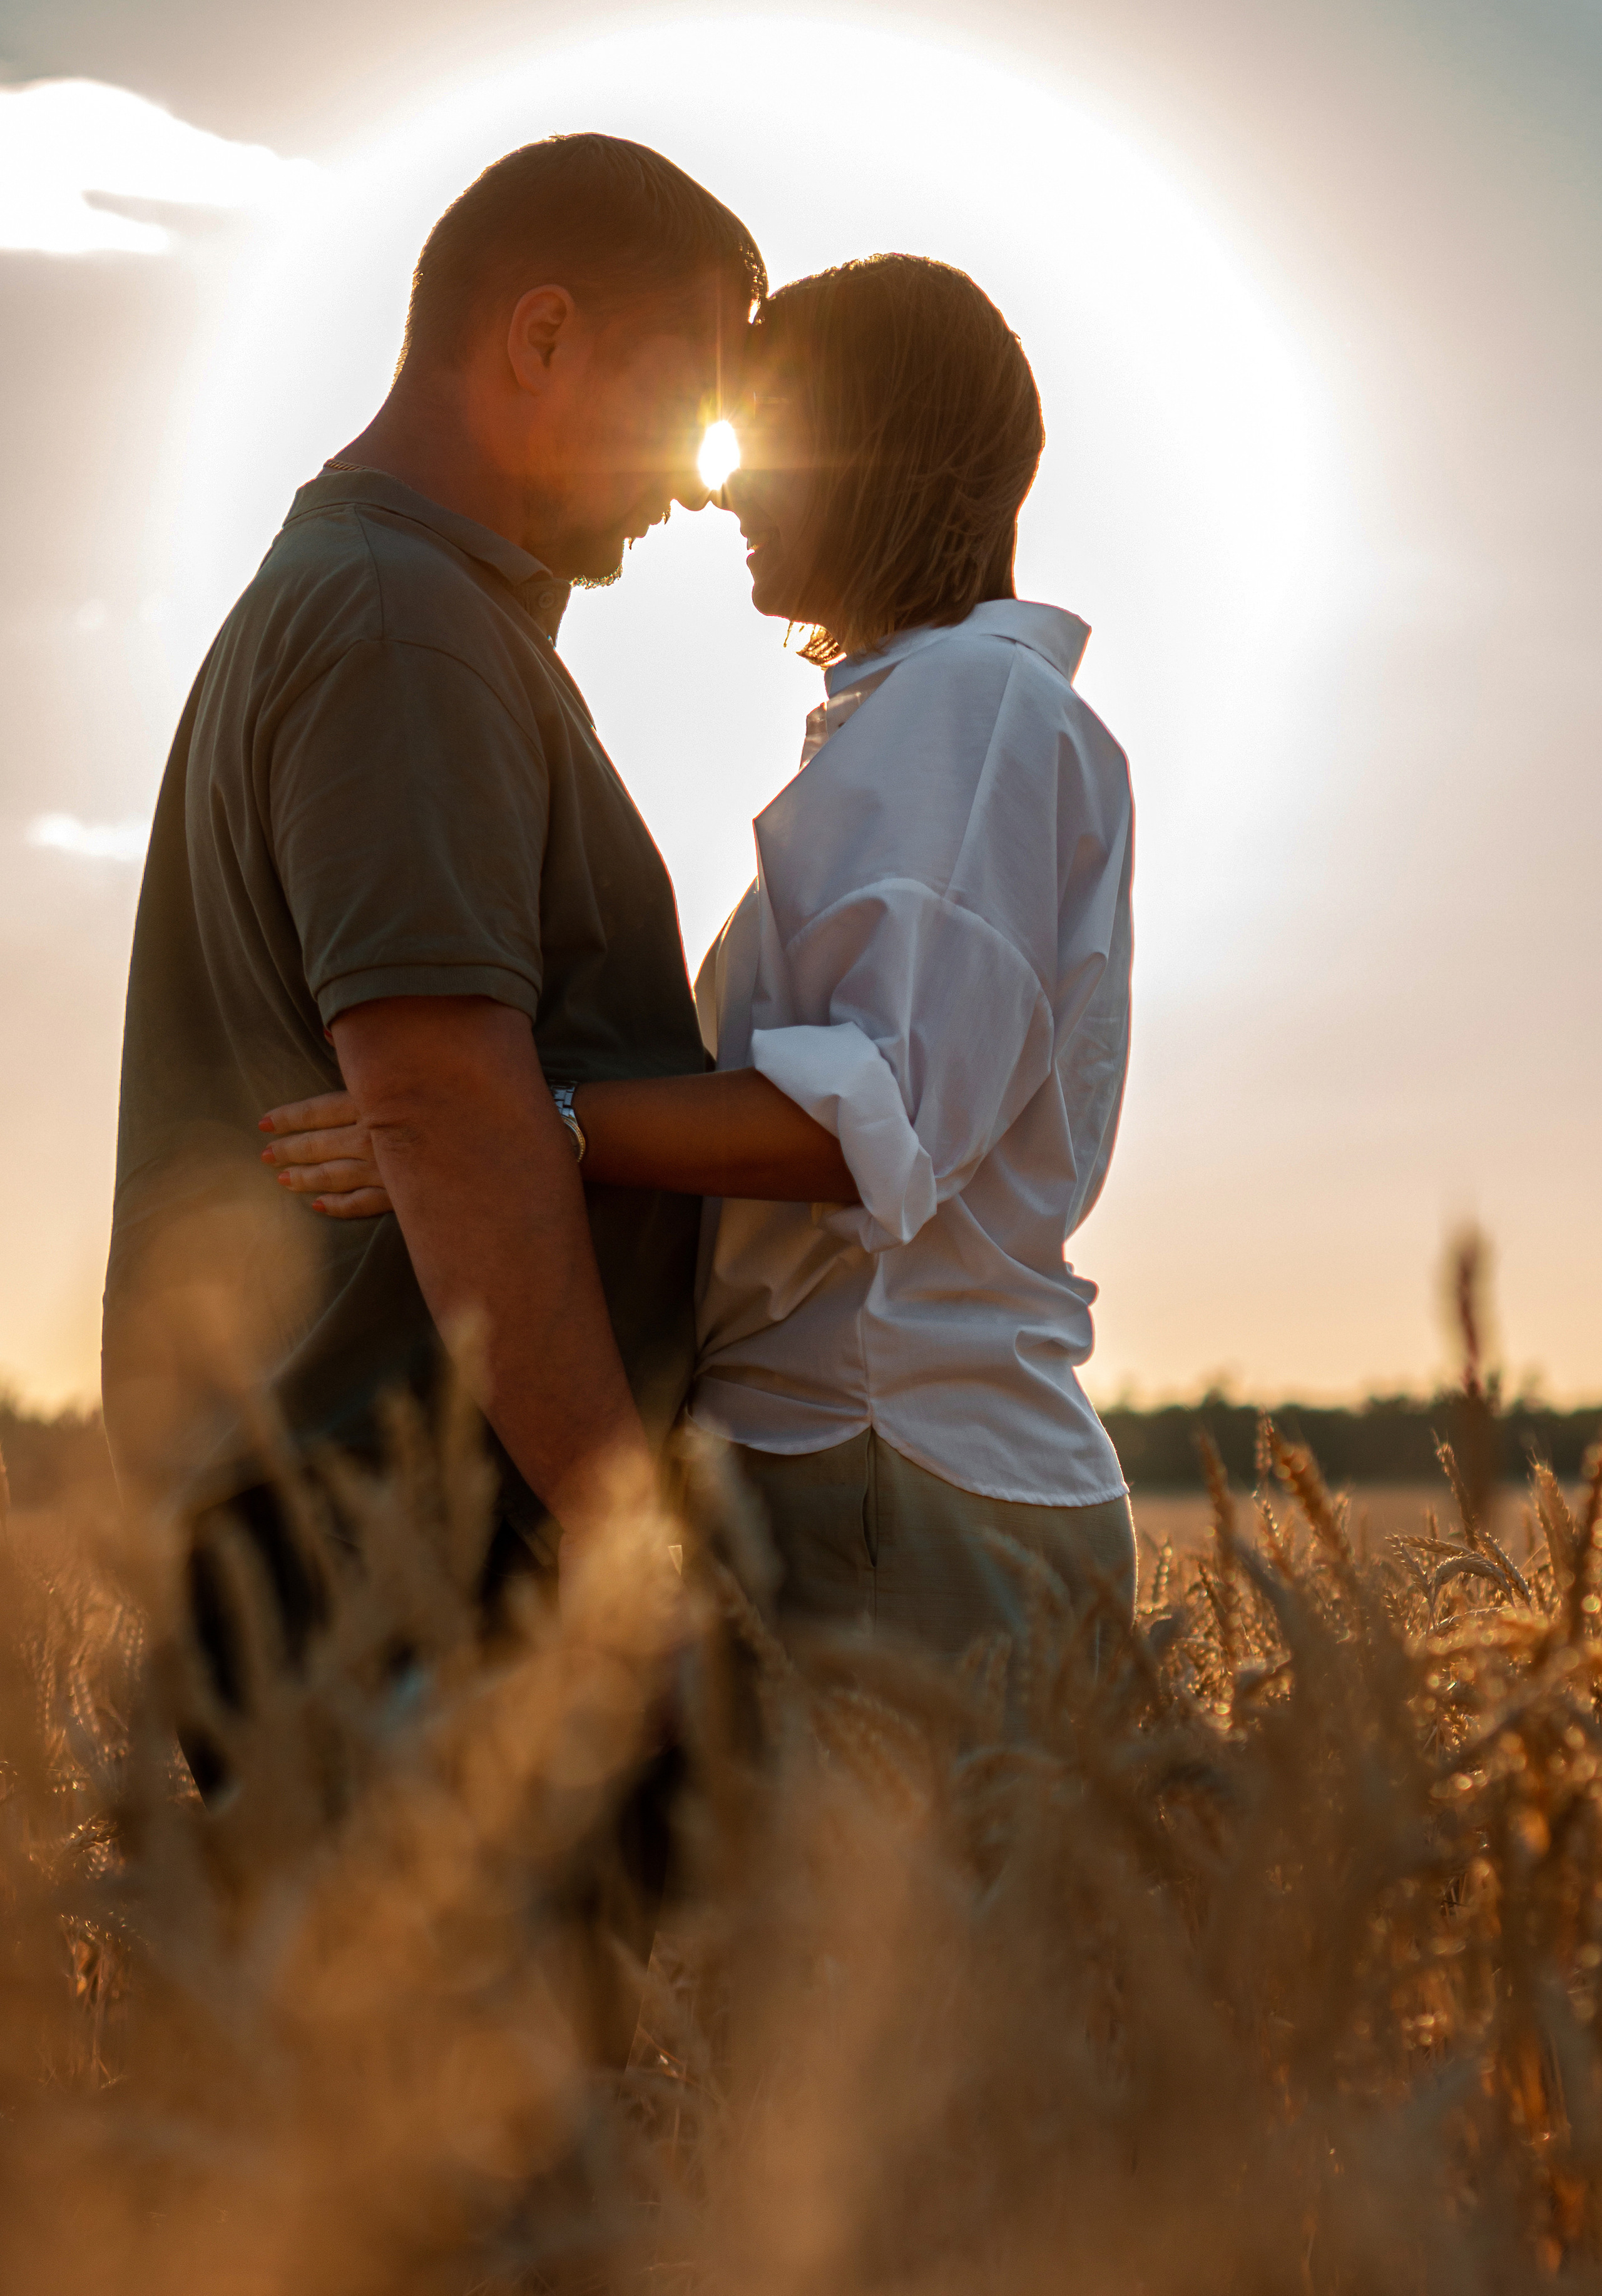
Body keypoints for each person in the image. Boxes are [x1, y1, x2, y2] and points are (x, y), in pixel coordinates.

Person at [260, 253, 1138, 1672]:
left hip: (883, 1470)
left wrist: (510, 1127)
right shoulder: (935, 716)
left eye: (764, 439)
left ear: (877, 456)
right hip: (868, 1473)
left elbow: (856, 1128)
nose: (721, 488)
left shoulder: (969, 711)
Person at [104, 135, 768, 1625]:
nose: (700, 473)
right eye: (686, 394)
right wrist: (623, 1562)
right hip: (407, 1570)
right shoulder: (402, 633)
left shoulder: (399, 605)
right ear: (541, 336)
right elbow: (449, 1113)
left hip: (383, 1552)